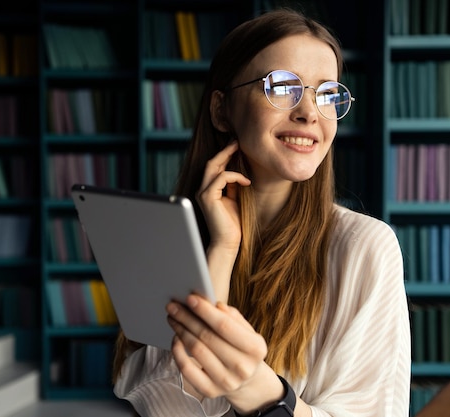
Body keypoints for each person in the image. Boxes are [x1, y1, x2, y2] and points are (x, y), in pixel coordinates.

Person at [113, 8, 411, 417]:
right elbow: (166, 407)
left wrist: (261, 390)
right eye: (283, 86)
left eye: (327, 93)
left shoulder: (366, 248)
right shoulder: (171, 240)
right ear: (222, 110)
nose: (310, 112)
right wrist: (223, 248)